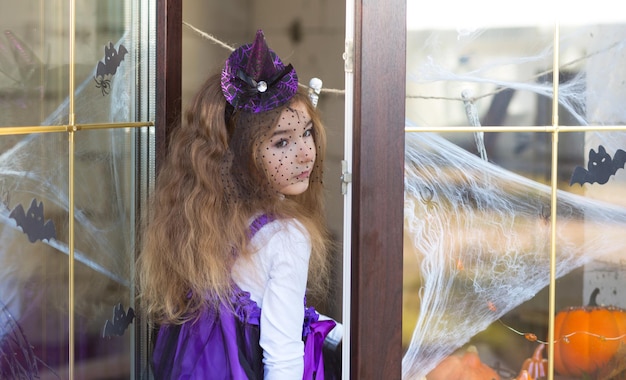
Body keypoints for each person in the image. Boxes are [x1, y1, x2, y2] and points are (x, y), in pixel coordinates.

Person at [136, 29, 342, 379]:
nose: (307, 153)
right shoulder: (287, 237)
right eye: (281, 143)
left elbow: (253, 309)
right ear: (239, 155)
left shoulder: (203, 222)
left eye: (307, 132)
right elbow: (282, 359)